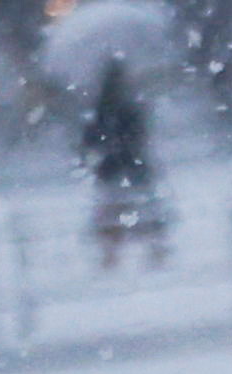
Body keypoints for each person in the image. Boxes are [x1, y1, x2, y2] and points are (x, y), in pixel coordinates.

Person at [80, 55, 171, 267]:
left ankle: (110, 256)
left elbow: (89, 140)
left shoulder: (98, 109)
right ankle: (156, 252)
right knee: (146, 211)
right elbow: (141, 134)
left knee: (112, 213)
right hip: (134, 168)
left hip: (110, 169)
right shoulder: (130, 105)